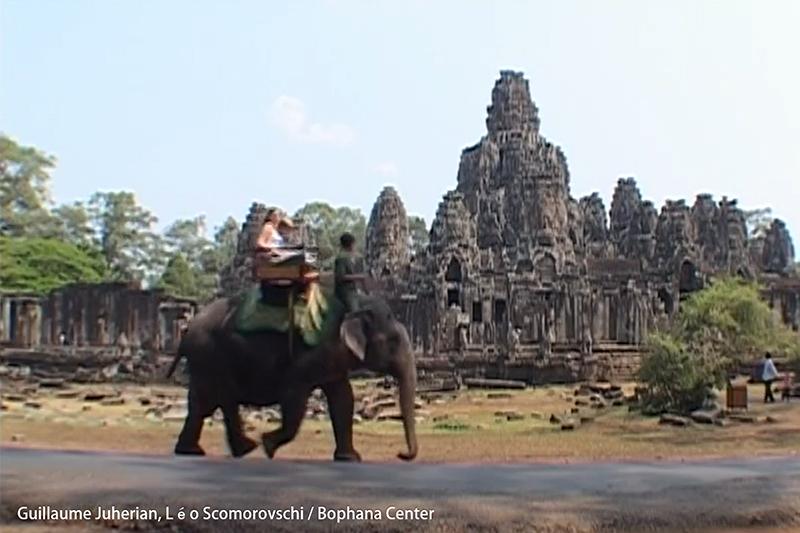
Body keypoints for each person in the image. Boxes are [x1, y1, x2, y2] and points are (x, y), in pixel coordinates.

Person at [334, 232, 366, 312]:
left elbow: (362, 277)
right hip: (346, 292)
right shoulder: (341, 258)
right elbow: (341, 276)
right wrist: (359, 277)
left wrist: (366, 290)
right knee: (355, 311)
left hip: (356, 290)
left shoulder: (358, 258)